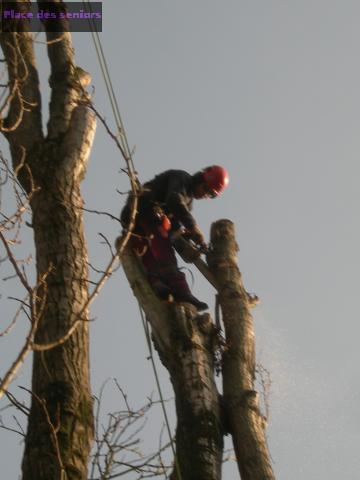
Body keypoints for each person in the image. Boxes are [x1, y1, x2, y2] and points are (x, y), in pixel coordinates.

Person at [121, 165, 229, 311]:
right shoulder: (182, 178)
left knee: (149, 251)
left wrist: (188, 235)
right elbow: (174, 199)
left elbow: (174, 226)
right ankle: (181, 290)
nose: (205, 195)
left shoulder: (188, 203)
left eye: (210, 194)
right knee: (162, 245)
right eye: (206, 189)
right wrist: (192, 226)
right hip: (143, 209)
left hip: (145, 224)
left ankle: (158, 284)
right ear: (201, 179)